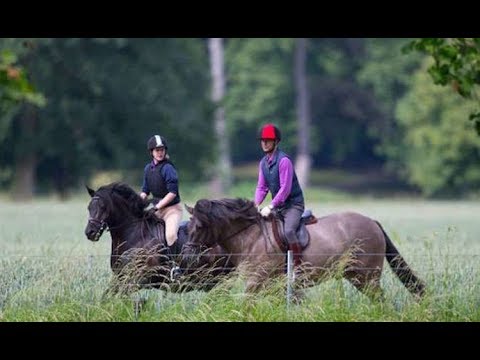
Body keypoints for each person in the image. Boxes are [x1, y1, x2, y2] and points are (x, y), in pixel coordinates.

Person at [254, 123, 305, 267]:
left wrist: (270, 206)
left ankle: (297, 266)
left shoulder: (284, 161)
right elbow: (262, 187)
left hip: (293, 205)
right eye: (262, 140)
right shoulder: (263, 163)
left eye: (268, 140)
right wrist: (255, 205)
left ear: (276, 142)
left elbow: (285, 189)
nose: (264, 143)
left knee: (288, 231)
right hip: (279, 207)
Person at [140, 135, 183, 247]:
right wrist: (137, 202)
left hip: (172, 210)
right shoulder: (148, 169)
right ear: (151, 152)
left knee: (170, 235)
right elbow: (145, 191)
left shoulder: (168, 168)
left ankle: (175, 263)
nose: (160, 153)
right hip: (157, 210)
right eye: (157, 150)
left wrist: (156, 207)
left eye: (162, 150)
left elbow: (172, 193)